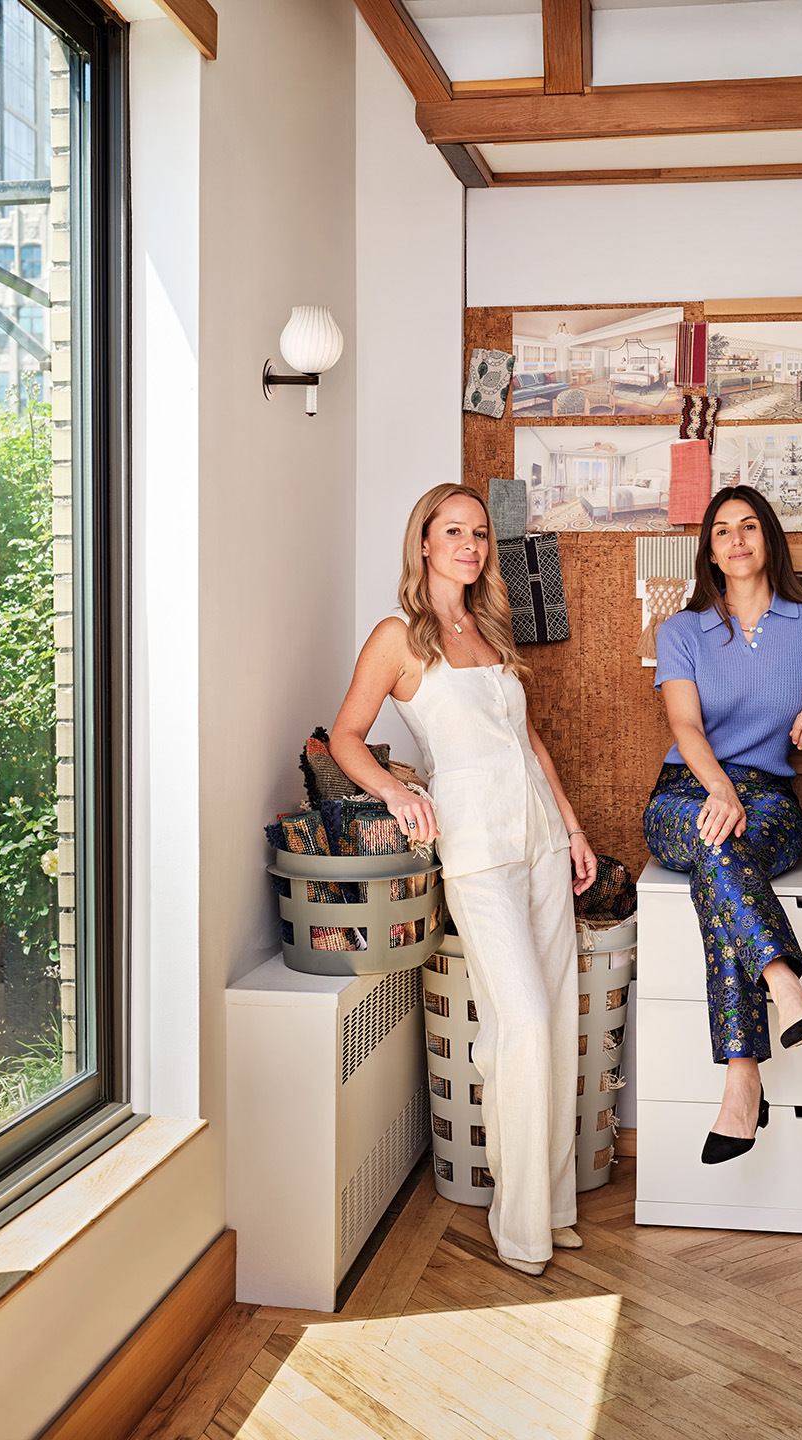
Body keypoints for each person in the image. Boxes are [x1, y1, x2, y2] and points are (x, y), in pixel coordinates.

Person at [330, 483, 597, 1275]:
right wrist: (395, 789)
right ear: (424, 543)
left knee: (554, 1019)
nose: (471, 544)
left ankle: (550, 1206)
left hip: (542, 839)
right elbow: (347, 735)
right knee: (519, 1022)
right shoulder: (397, 637)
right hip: (475, 847)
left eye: (480, 533)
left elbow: (530, 740)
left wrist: (574, 829)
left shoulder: (487, 627)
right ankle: (519, 1228)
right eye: (455, 531)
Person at [642, 485, 802, 1165]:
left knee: (723, 865)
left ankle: (743, 1077)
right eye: (722, 531)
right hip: (685, 796)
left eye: (749, 527)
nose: (737, 540)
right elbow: (685, 727)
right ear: (710, 551)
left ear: (768, 539)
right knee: (717, 839)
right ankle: (782, 983)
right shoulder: (682, 631)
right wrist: (718, 791)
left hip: (771, 802)